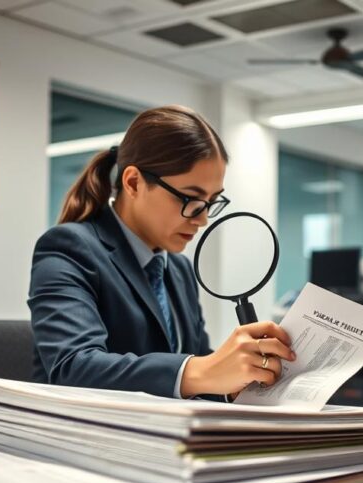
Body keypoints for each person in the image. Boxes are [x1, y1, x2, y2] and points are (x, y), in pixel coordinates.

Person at [28, 105, 294, 400]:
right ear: (133, 183)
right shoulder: (68, 248)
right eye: (191, 198)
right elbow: (73, 368)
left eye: (211, 201)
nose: (202, 219)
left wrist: (234, 385)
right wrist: (202, 371)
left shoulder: (178, 269)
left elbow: (194, 367)